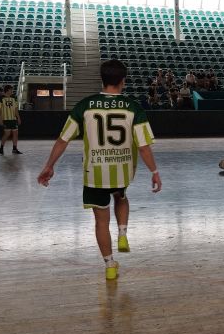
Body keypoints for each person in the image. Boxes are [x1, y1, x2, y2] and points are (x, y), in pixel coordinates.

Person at [37, 59, 162, 281]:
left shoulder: (85, 106)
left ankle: (110, 265)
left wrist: (49, 166)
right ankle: (122, 232)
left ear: (102, 80)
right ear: (123, 81)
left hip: (94, 174)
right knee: (121, 196)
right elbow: (143, 147)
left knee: (101, 221)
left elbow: (63, 139)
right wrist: (154, 172)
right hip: (122, 170)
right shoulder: (133, 107)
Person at [0, 85, 22, 155]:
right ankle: (1, 147)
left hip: (13, 119)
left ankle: (14, 149)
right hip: (6, 119)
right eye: (11, 90)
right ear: (7, 90)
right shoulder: (1, 98)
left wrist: (18, 118)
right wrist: (0, 119)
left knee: (15, 133)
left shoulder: (13, 98)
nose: (12, 91)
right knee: (7, 134)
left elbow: (16, 109)